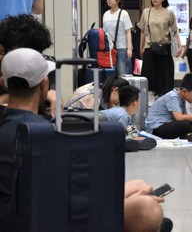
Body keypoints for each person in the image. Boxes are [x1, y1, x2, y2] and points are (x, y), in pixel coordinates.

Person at [0, 48, 170, 232]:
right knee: (148, 210)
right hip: (51, 215)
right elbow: (74, 191)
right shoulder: (45, 134)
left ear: (4, 83)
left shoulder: (15, 125)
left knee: (139, 187)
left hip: (16, 212)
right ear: (44, 83)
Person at [0, 14, 55, 117]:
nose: (27, 63)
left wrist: (51, 95)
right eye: (19, 56)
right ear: (3, 52)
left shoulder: (43, 67)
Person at [138, 0, 182, 100]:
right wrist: (141, 47)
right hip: (150, 47)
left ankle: (164, 99)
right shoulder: (146, 12)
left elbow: (174, 30)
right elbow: (142, 31)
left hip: (164, 48)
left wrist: (180, 45)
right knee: (149, 74)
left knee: (165, 76)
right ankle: (151, 97)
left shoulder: (169, 12)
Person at [145, 73, 192, 142]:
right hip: (156, 129)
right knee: (184, 124)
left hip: (169, 124)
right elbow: (179, 118)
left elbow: (185, 117)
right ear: (184, 91)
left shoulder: (182, 98)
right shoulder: (172, 97)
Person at [99, 85, 157, 151]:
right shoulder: (124, 115)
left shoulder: (117, 110)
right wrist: (135, 139)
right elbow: (119, 137)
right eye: (139, 101)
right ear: (135, 103)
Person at [103, 0, 133, 76]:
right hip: (110, 49)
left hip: (122, 48)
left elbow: (128, 32)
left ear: (118, 0)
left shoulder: (123, 14)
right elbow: (105, 33)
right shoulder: (105, 14)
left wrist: (129, 48)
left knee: (122, 73)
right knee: (111, 74)